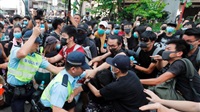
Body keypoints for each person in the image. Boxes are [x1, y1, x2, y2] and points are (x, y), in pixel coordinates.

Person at [6, 26, 63, 112]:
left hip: (29, 89)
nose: (38, 45)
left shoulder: (38, 57)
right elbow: (22, 53)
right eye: (35, 42)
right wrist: (34, 35)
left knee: (40, 108)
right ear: (27, 41)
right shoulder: (15, 50)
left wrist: (74, 69)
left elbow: (55, 69)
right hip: (15, 92)